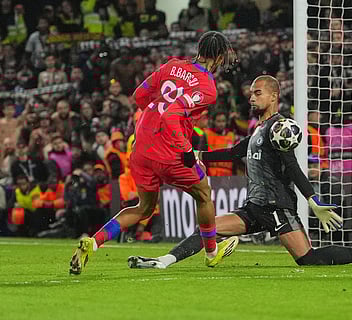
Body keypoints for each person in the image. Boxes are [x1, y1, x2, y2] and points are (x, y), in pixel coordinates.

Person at [127, 76, 352, 269]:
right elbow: (236, 151)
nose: (251, 97)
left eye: (257, 92)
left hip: (278, 206)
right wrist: (200, 155)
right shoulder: (260, 128)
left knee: (307, 259)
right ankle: (163, 261)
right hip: (255, 207)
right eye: (250, 93)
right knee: (207, 227)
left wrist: (312, 200)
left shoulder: (279, 127)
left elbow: (293, 166)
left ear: (274, 95)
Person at [69, 31, 239, 275]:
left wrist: (151, 121)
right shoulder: (207, 87)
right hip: (169, 149)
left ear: (199, 48)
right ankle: (212, 253)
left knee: (144, 208)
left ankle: (93, 242)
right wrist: (187, 149)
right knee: (203, 194)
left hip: (140, 145)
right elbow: (172, 116)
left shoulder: (171, 66)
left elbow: (139, 96)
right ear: (221, 56)